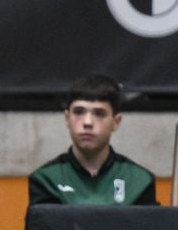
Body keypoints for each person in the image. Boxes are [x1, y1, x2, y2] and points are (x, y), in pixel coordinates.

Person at [29, 75, 158, 205]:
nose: (88, 122)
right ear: (67, 118)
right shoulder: (46, 179)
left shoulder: (139, 181)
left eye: (99, 114)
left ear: (116, 122)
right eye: (79, 112)